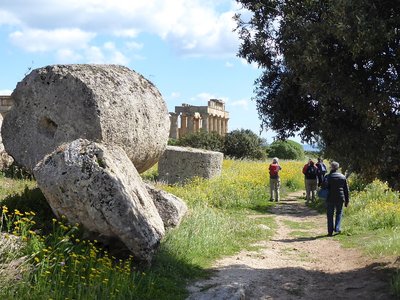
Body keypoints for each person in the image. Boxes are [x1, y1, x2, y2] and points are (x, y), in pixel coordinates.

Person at [323, 161, 350, 236]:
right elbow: (346, 190)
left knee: (330, 215)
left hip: (330, 198)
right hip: (340, 198)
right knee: (339, 213)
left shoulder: (327, 176)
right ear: (337, 168)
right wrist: (347, 201)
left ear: (331, 167)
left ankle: (330, 231)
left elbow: (324, 187)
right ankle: (337, 228)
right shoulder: (342, 176)